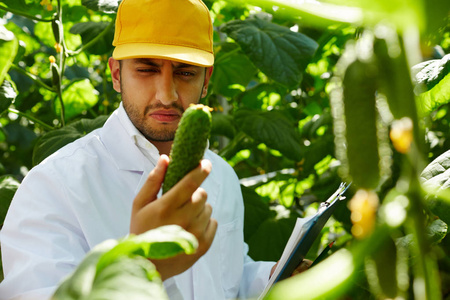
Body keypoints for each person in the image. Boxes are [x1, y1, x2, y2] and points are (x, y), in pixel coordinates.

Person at [0, 0, 310, 299]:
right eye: (146, 70)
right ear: (117, 74)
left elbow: (227, 280)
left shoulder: (221, 176)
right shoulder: (53, 186)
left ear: (206, 81)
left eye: (185, 72)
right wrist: (142, 265)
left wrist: (272, 279)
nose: (167, 94)